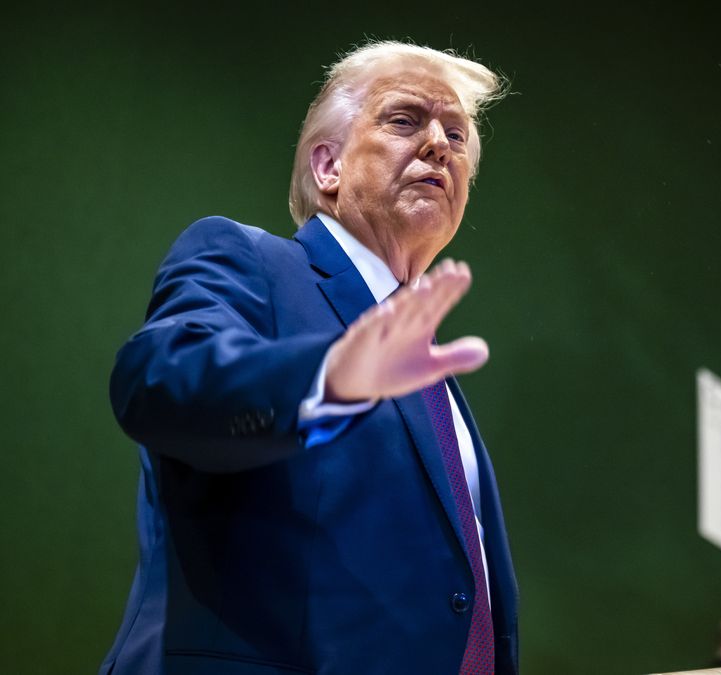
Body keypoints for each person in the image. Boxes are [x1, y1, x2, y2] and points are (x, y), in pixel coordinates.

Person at [99, 41, 517, 674]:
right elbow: (156, 383)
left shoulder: (433, 377)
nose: (439, 146)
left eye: (456, 136)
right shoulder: (251, 261)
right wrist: (328, 381)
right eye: (405, 120)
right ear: (328, 165)